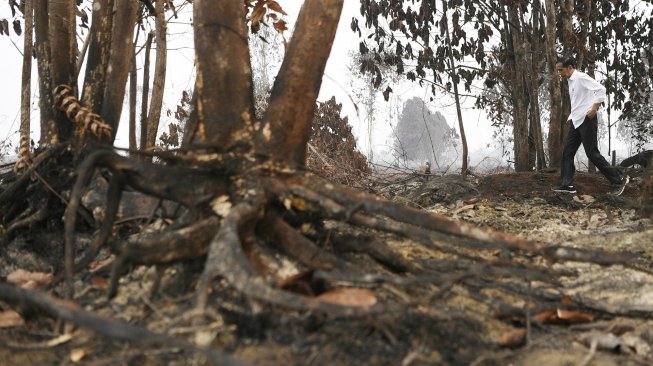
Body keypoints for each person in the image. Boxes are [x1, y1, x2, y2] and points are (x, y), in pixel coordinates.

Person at [553, 57, 629, 195]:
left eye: (561, 70)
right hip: (576, 121)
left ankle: (618, 180)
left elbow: (601, 89)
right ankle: (567, 185)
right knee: (567, 153)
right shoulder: (570, 80)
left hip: (587, 120)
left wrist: (594, 108)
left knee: (592, 153)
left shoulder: (581, 77)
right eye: (558, 70)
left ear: (570, 67)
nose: (559, 73)